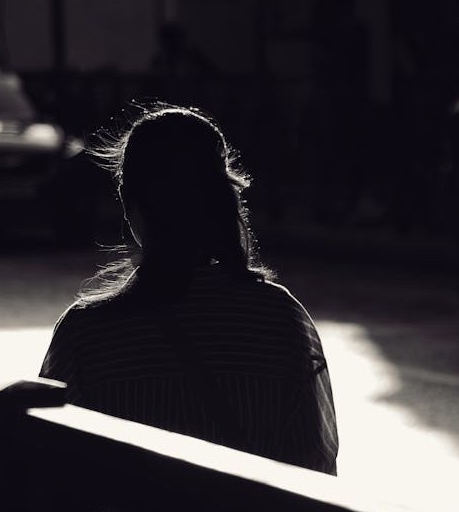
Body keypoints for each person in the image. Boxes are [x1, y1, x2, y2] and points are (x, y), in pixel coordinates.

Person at [39, 102, 338, 475]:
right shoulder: (281, 320)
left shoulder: (84, 336)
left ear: (130, 206)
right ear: (221, 203)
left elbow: (53, 468)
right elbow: (316, 464)